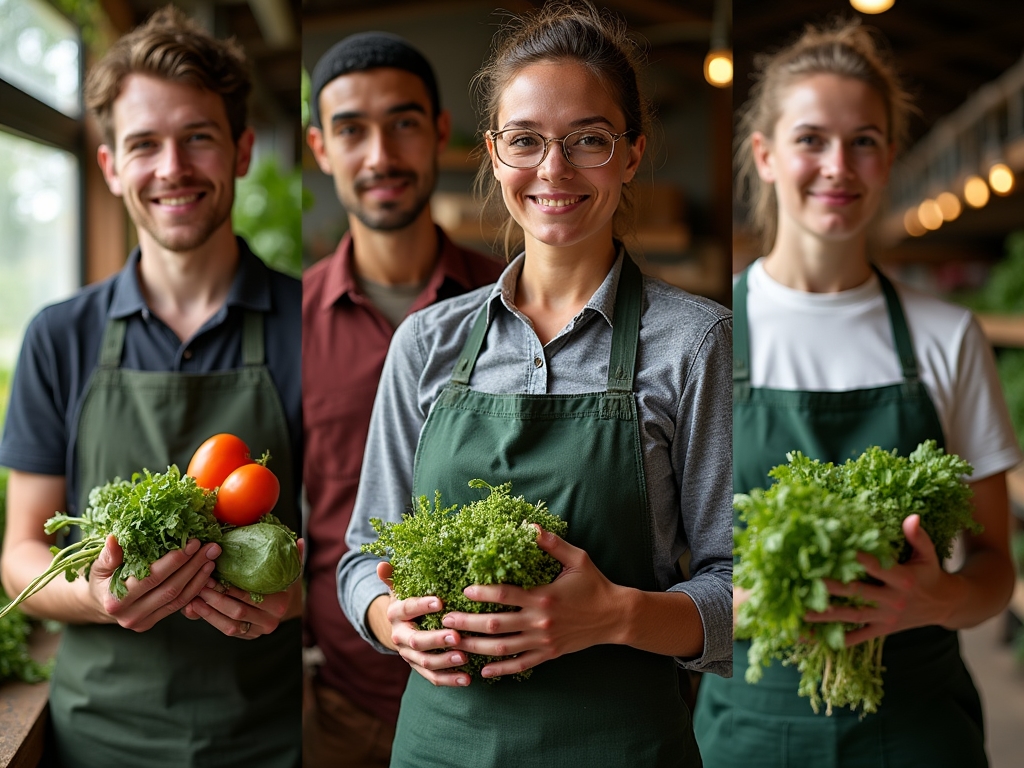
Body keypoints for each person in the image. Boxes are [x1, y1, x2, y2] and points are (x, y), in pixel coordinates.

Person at [337, 2, 733, 766]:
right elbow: (361, 558)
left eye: (588, 140)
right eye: (526, 141)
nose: (554, 170)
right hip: (439, 747)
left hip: (621, 746)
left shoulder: (695, 342)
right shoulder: (426, 342)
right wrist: (393, 620)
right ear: (493, 153)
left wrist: (613, 616)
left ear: (631, 153)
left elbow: (737, 586)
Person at [692, 19, 1022, 768]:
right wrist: (749, 607)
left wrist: (936, 600)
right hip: (748, 728)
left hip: (916, 728)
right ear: (765, 155)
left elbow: (996, 565)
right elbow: (660, 574)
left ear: (889, 158)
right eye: (811, 139)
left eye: (864, 140)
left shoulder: (947, 336)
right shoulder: (702, 339)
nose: (838, 165)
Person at [0, 7, 303, 767]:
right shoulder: (58, 335)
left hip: (266, 740)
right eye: (144, 144)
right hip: (95, 738)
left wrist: (296, 596)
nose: (172, 168)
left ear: (239, 151)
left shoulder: (313, 327)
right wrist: (96, 599)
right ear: (109, 167)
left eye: (197, 137)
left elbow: (351, 555)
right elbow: (20, 551)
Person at [301, 31, 503, 768]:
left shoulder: (512, 302)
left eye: (403, 122)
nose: (380, 154)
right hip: (348, 707)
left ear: (441, 134)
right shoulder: (290, 325)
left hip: (498, 704)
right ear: (320, 148)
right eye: (352, 129)